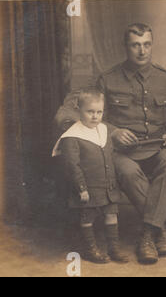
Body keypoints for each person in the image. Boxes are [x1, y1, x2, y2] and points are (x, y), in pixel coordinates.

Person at [96, 23, 166, 264]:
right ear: (126, 47)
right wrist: (113, 132)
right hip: (123, 152)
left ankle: (147, 233)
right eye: (135, 45)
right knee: (127, 169)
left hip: (157, 147)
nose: (142, 50)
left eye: (146, 44)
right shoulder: (107, 79)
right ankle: (161, 228)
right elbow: (95, 119)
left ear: (151, 45)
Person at [52, 89, 128, 264]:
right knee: (88, 218)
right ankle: (90, 249)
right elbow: (72, 166)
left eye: (99, 112)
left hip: (107, 186)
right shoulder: (72, 136)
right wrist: (81, 188)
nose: (95, 116)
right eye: (90, 112)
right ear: (79, 110)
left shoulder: (103, 130)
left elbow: (109, 157)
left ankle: (113, 248)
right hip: (87, 188)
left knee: (111, 215)